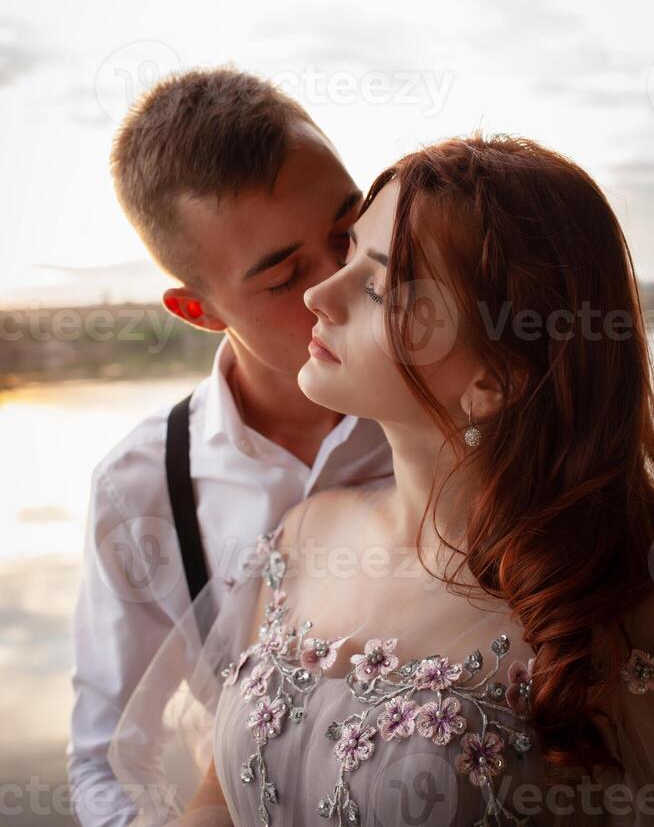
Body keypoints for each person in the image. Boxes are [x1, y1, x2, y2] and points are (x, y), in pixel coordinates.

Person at [108, 133, 654, 826]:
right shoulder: (304, 533)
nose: (318, 295)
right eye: (348, 252)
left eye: (375, 284)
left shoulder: (612, 604)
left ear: (491, 380)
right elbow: (216, 798)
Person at [66, 68, 394, 827]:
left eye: (352, 231)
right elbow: (103, 759)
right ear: (198, 310)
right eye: (285, 276)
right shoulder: (139, 488)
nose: (346, 280)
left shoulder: (470, 413)